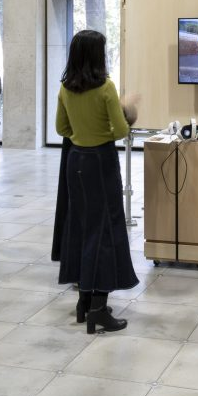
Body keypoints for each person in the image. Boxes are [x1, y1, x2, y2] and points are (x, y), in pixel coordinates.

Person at [55, 30, 138, 334]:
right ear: (97, 56)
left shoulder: (65, 88)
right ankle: (98, 310)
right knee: (104, 231)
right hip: (101, 162)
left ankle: (84, 302)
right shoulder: (106, 88)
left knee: (81, 228)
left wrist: (83, 132)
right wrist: (126, 114)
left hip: (76, 161)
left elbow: (61, 128)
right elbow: (120, 131)